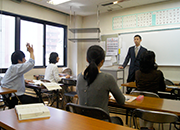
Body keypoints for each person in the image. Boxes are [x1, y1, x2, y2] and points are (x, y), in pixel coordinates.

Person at [76, 45, 125, 114]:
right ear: (102, 61)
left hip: (83, 121)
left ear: (87, 59)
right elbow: (121, 101)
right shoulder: (108, 78)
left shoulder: (79, 77)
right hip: (101, 122)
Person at [1, 43, 40, 108]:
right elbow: (31, 63)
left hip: (8, 98)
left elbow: (13, 79)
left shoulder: (12, 68)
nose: (25, 60)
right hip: (15, 98)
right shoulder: (17, 67)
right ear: (19, 60)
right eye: (24, 58)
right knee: (38, 101)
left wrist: (24, 80)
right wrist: (31, 52)